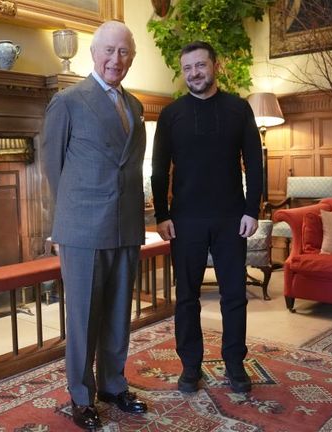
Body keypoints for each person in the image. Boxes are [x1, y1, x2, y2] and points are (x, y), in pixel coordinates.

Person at [41, 20, 148, 430]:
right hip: (83, 228)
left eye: (123, 52)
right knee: (84, 317)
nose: (115, 59)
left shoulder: (135, 107)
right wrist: (65, 222)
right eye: (108, 50)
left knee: (120, 312)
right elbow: (54, 169)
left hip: (126, 226)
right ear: (93, 53)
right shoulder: (67, 101)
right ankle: (81, 396)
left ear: (131, 59)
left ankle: (113, 385)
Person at [151, 41, 263, 394]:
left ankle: (234, 365)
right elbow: (158, 170)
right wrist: (161, 215)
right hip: (185, 221)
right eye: (187, 68)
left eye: (200, 65)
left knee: (235, 296)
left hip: (232, 217)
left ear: (214, 65)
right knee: (186, 298)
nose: (194, 73)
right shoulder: (171, 115)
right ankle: (190, 367)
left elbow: (255, 163)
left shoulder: (237, 108)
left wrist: (251, 209)